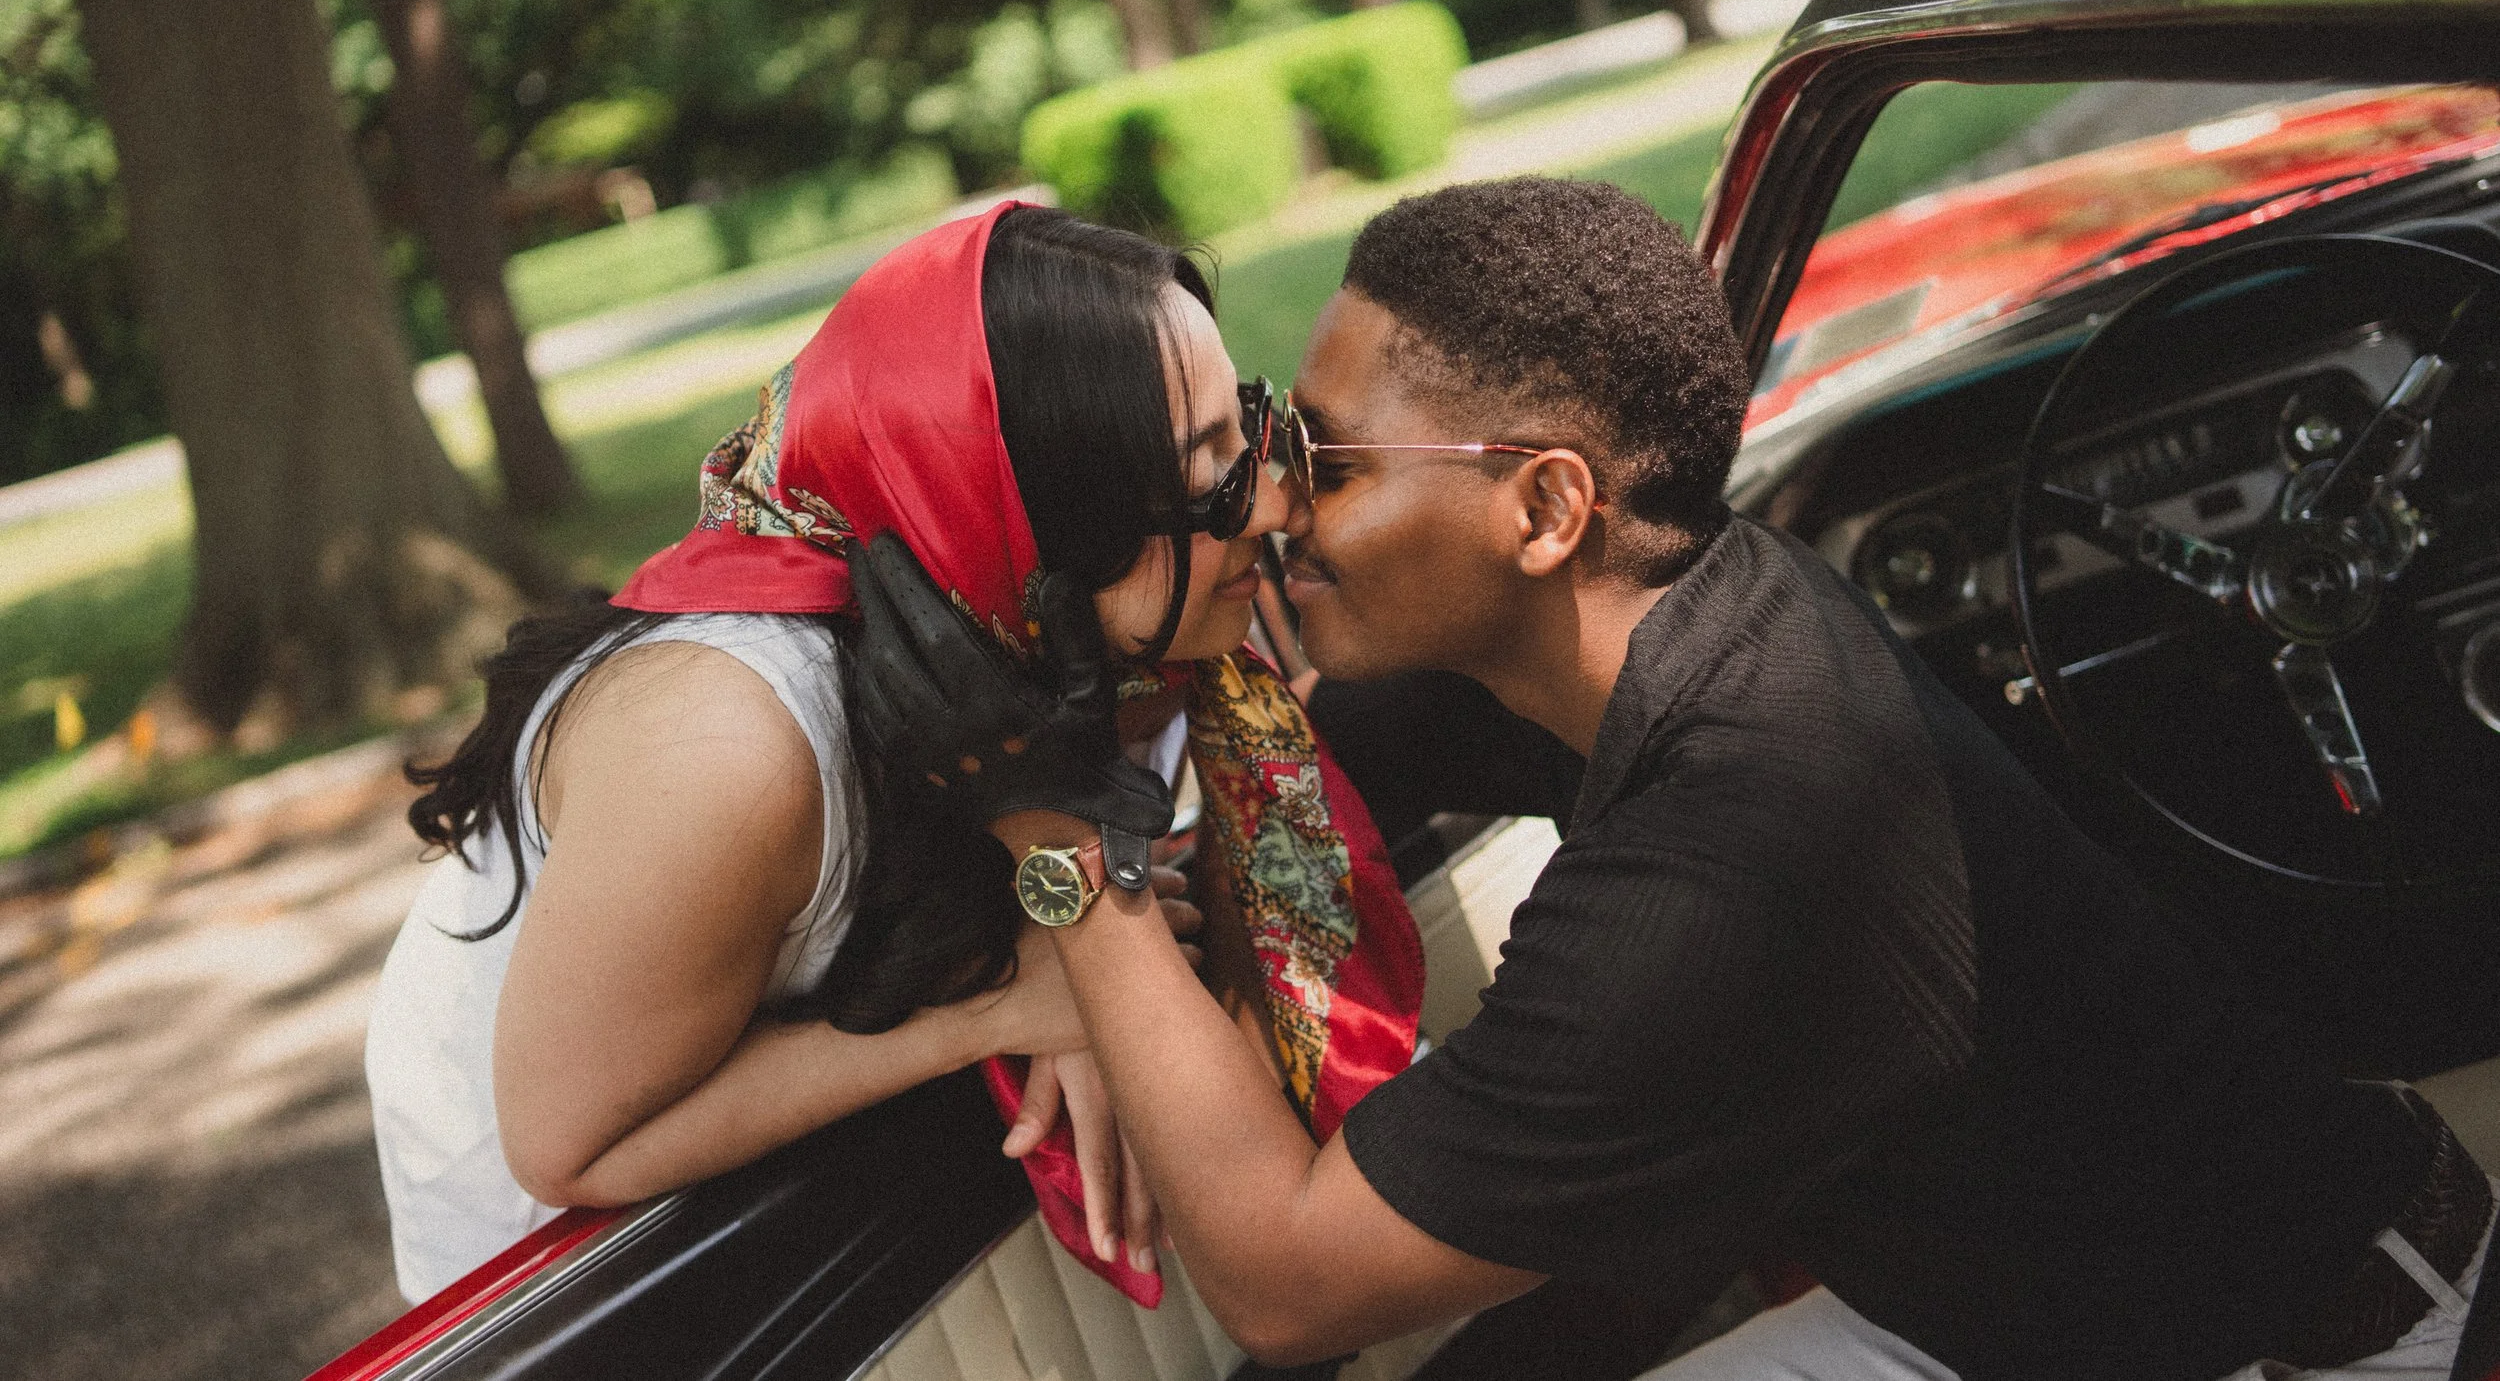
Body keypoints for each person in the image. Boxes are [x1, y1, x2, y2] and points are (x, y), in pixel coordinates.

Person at [851, 176, 2495, 1381]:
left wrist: (1056, 838)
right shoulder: (1662, 610)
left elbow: (1287, 1283)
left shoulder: (1735, 854)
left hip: (2300, 1345)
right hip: (2032, 1296)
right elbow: (1291, 761)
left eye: (1327, 461)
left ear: (1544, 508)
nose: (1276, 501)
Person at [363, 200, 1422, 1306]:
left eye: (1244, 428)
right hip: (580, 1252)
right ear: (1030, 516)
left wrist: (1061, 924)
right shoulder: (726, 744)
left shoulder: (1101, 627)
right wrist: (1001, 1000)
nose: (1276, 500)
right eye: (1205, 474)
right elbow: (569, 1146)